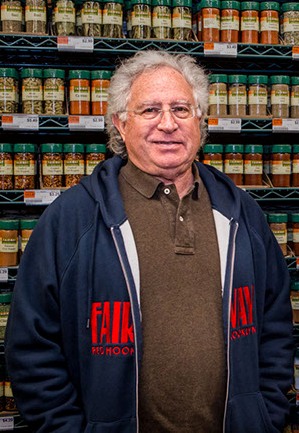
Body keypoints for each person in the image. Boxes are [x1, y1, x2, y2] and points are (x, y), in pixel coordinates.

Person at [5, 50, 294, 433]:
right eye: (149, 110)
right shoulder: (72, 220)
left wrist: (265, 415)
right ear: (120, 125)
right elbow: (32, 347)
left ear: (201, 123)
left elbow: (274, 325)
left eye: (181, 109)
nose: (168, 124)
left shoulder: (242, 214)